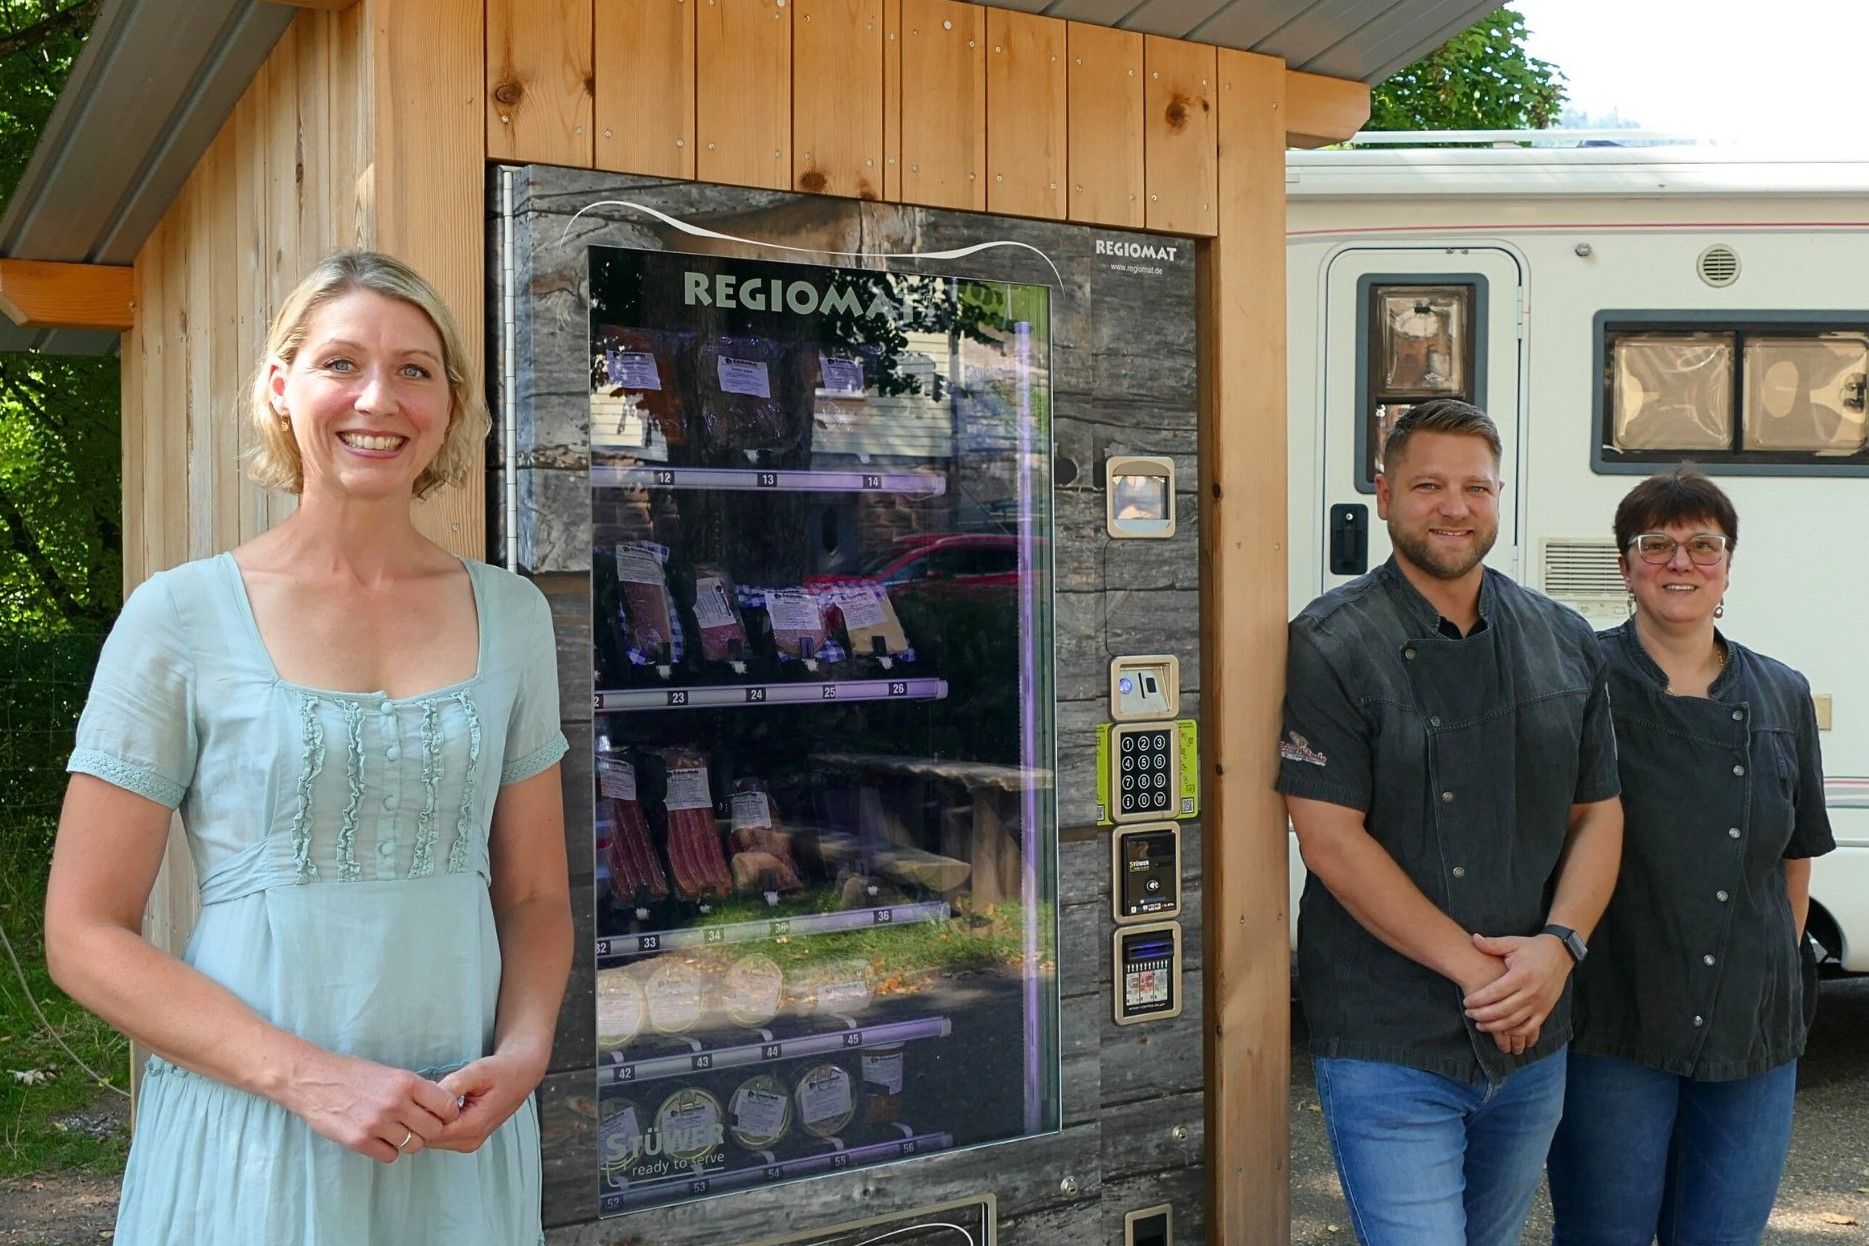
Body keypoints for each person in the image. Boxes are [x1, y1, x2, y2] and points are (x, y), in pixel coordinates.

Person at [43, 250, 571, 1244]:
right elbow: (82, 932)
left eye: (415, 369)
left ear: (451, 402)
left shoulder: (512, 616)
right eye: (341, 363)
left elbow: (536, 891)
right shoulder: (180, 618)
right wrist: (312, 1079)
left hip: (457, 1130)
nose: (380, 397)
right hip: (257, 1131)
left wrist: (528, 1049)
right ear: (281, 388)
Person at [1278, 398, 1624, 1246]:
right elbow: (1328, 839)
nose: (1453, 506)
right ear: (1383, 493)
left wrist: (1560, 947)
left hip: (1531, 1040)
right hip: (1386, 1039)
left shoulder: (1562, 638)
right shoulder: (1329, 643)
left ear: (1497, 496)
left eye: (1475, 487)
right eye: (1427, 484)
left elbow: (1599, 815)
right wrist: (1477, 973)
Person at [1547, 468, 1833, 1246]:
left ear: (1728, 564)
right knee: (1603, 1233)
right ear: (1623, 566)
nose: (1681, 563)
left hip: (1752, 1032)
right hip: (1617, 1015)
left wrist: (1764, 965)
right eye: (1656, 545)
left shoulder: (1781, 692)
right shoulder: (1580, 679)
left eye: (1702, 545)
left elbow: (1795, 856)